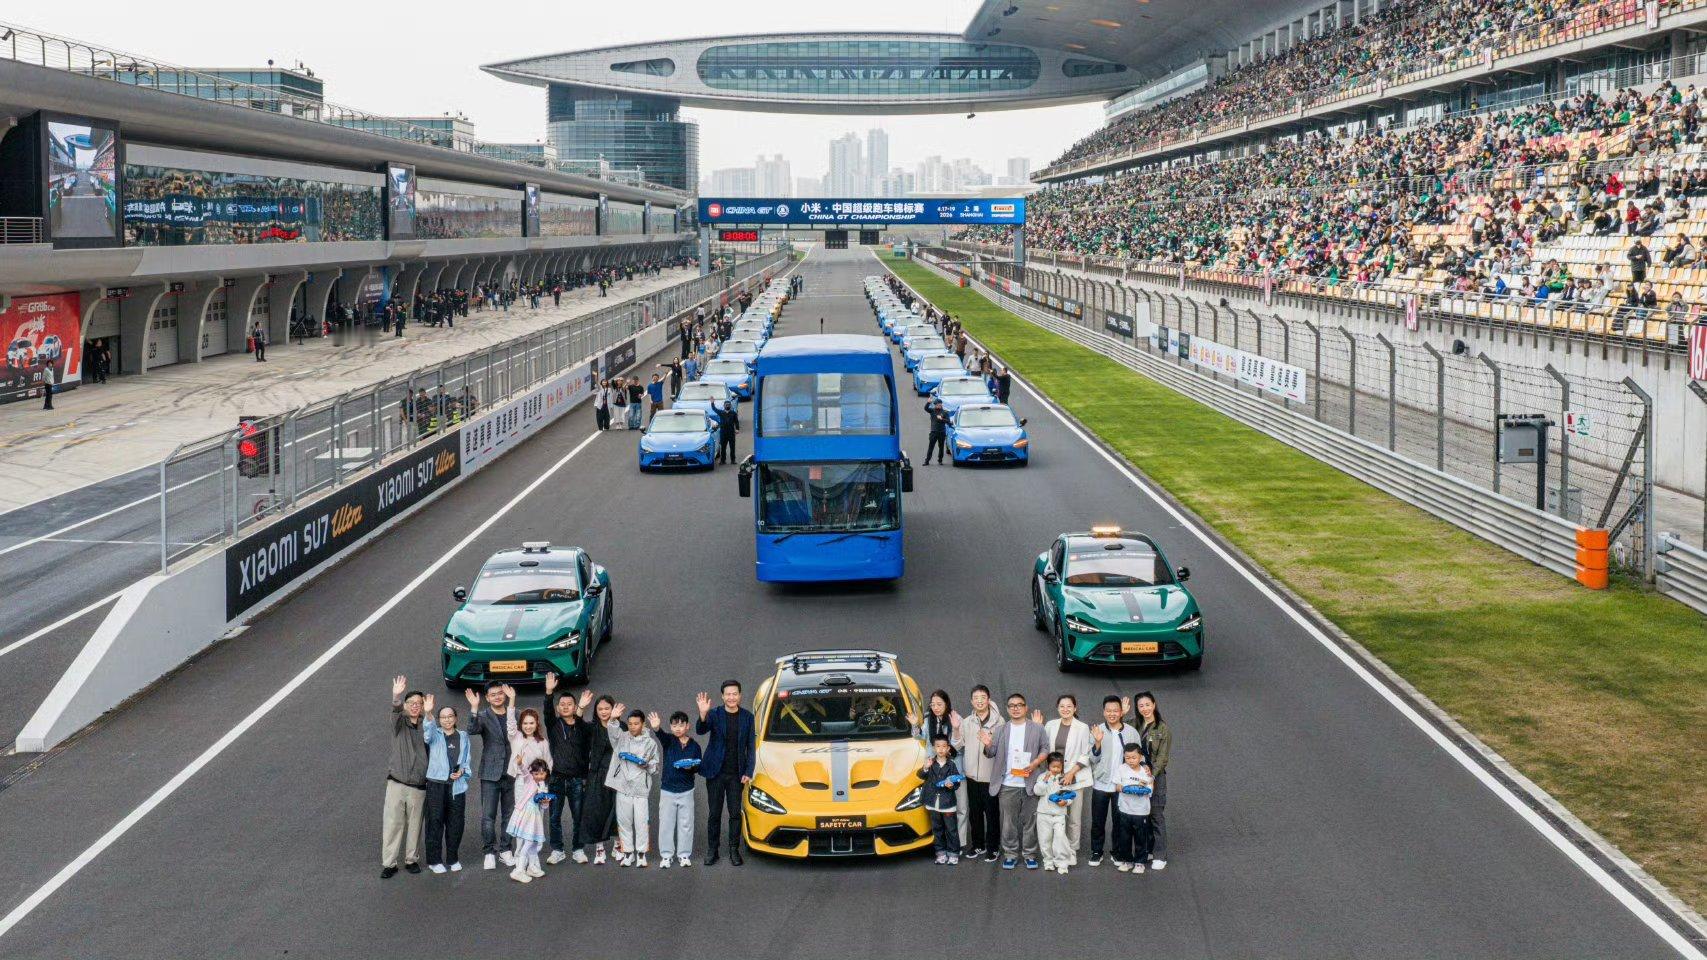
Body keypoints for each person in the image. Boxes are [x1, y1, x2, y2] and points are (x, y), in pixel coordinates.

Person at [979, 692, 1048, 870]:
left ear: (1026, 708)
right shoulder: (1001, 729)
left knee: (1029, 822)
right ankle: (1010, 854)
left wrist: (1035, 763)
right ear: (1007, 709)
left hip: (1030, 783)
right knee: (1008, 823)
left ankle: (1030, 854)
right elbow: (991, 753)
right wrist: (987, 744)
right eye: (1012, 705)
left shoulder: (1037, 728)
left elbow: (1045, 749)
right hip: (1007, 784)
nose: (1016, 708)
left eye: (1019, 705)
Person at [696, 681, 756, 866]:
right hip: (715, 772)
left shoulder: (747, 717)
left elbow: (751, 747)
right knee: (714, 813)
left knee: (735, 814)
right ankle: (712, 850)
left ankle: (733, 850)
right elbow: (700, 730)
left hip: (736, 774)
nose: (731, 697)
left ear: (740, 695)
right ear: (722, 696)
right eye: (728, 694)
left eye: (735, 694)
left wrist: (748, 770)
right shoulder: (714, 714)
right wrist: (703, 713)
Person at [542, 674, 594, 864]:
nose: (565, 706)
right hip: (556, 779)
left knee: (578, 816)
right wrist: (549, 692)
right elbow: (547, 711)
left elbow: (580, 725)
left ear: (575, 707)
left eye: (569, 704)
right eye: (562, 704)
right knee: (554, 817)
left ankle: (578, 849)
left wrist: (581, 708)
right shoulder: (554, 724)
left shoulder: (584, 727)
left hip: (578, 780)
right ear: (558, 708)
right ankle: (557, 850)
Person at [464, 683, 515, 871]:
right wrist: (474, 707)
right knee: (488, 816)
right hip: (490, 773)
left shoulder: (514, 714)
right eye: (493, 695)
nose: (497, 697)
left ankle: (506, 850)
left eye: (500, 693)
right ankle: (489, 852)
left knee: (509, 814)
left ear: (506, 694)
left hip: (512, 772)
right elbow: (471, 729)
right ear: (487, 697)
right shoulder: (484, 716)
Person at [381, 676, 428, 878]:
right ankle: (389, 863)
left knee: (415, 824)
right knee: (393, 823)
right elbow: (395, 710)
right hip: (397, 782)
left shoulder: (428, 725)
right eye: (412, 703)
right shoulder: (399, 723)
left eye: (419, 703)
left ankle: (411, 859)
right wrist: (397, 695)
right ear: (406, 706)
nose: (415, 706)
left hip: (419, 784)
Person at [1087, 695, 1141, 867]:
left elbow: (1139, 756)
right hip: (1101, 784)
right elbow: (1092, 759)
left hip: (1121, 785)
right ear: (1103, 712)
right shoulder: (1098, 730)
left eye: (1115, 710)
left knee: (1120, 821)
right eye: (1108, 711)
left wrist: (1144, 769)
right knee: (1098, 821)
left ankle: (1117, 852)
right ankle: (1096, 852)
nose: (1112, 714)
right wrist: (1097, 742)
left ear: (1121, 712)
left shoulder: (1131, 732)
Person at [1040, 694, 1093, 864]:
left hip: (1075, 777)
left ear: (1075, 708)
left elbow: (1086, 754)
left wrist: (1071, 773)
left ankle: (1072, 851)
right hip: (1055, 777)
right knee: (1056, 814)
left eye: (1069, 706)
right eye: (1062, 706)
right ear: (1057, 708)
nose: (1065, 709)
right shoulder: (1050, 725)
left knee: (1074, 818)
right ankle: (1056, 851)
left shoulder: (1082, 727)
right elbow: (1045, 749)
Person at [606, 708, 661, 867]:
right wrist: (614, 720)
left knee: (641, 823)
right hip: (623, 788)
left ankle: (641, 855)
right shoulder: (621, 738)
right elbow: (612, 733)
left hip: (640, 790)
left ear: (643, 724)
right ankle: (628, 853)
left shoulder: (650, 743)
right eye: (629, 723)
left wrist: (646, 764)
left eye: (636, 723)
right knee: (624, 822)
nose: (632, 726)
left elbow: (655, 767)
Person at [422, 699, 470, 874]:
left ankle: (452, 858)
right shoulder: (435, 734)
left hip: (457, 786)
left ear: (456, 718)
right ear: (439, 719)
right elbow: (427, 733)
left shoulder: (463, 736)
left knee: (456, 823)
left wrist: (462, 771)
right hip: (436, 785)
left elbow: (467, 760)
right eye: (443, 717)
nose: (447, 720)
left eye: (450, 716)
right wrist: (428, 713)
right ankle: (434, 861)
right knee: (435, 822)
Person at [651, 710, 702, 868]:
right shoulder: (669, 741)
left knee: (686, 824)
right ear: (671, 727)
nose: (678, 728)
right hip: (668, 790)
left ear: (688, 726)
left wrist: (690, 767)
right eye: (674, 725)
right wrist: (657, 728)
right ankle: (666, 856)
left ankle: (684, 855)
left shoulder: (695, 746)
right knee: (666, 823)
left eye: (681, 725)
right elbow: (660, 735)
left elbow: (697, 766)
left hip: (687, 789)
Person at [957, 685, 1002, 861]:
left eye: (983, 697)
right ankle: (978, 845)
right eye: (976, 698)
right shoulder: (967, 722)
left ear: (989, 700)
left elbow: (1001, 750)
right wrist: (955, 729)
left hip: (990, 777)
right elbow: (957, 745)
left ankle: (993, 847)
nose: (980, 701)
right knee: (974, 814)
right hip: (971, 777)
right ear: (971, 701)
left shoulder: (1000, 723)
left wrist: (989, 742)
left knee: (991, 815)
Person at [1033, 751, 1090, 875]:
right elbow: (1037, 791)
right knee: (1045, 840)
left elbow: (1069, 795)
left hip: (1059, 815)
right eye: (1053, 766)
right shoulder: (1042, 777)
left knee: (1060, 838)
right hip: (1043, 814)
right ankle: (1048, 861)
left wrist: (1066, 802)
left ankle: (1062, 863)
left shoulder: (1065, 778)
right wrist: (1045, 780)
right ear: (1048, 765)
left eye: (1058, 767)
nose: (1056, 769)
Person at [579, 694, 619, 864]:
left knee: (618, 811)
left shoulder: (621, 726)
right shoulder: (592, 728)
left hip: (617, 775)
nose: (603, 712)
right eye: (600, 709)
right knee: (596, 811)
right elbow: (577, 725)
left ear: (613, 709)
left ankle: (618, 845)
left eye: (607, 708)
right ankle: (599, 849)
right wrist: (580, 708)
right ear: (596, 711)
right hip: (596, 775)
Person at [1135, 691, 1171, 871]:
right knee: (1144, 815)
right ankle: (1148, 849)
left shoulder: (1162, 728)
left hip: (1155, 777)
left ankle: (1160, 855)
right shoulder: (1136, 724)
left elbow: (1163, 758)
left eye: (1147, 704)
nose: (1145, 709)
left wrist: (1151, 776)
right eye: (1141, 706)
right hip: (1138, 776)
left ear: (1154, 705)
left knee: (1156, 815)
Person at [918, 733, 963, 865]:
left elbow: (957, 782)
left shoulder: (951, 764)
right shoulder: (930, 763)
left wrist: (951, 785)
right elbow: (921, 776)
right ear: (933, 748)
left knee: (951, 829)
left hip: (947, 803)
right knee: (937, 829)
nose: (941, 749)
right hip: (933, 803)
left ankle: (953, 853)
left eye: (944, 746)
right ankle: (940, 853)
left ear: (948, 748)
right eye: (938, 746)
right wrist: (925, 767)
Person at [1111, 743, 1155, 873]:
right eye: (1127, 757)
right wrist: (1125, 788)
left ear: (1140, 757)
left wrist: (1141, 789)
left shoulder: (1146, 772)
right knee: (1124, 837)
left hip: (1141, 811)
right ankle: (1127, 861)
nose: (1130, 760)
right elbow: (1117, 786)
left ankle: (1140, 862)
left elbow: (1150, 789)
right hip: (1125, 809)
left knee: (1141, 837)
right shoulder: (1121, 769)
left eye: (1134, 757)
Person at [506, 759, 552, 883]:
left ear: (546, 773)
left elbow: (544, 806)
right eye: (536, 774)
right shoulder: (529, 780)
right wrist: (520, 763)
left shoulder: (543, 786)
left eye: (542, 773)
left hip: (535, 817)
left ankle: (532, 867)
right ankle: (519, 869)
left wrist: (545, 802)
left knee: (533, 843)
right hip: (526, 815)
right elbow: (525, 772)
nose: (539, 776)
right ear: (532, 774)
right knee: (528, 843)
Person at [924, 398, 949, 465]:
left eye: (938, 404)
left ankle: (940, 460)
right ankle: (927, 461)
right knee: (931, 446)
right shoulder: (932, 411)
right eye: (936, 405)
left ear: (941, 404)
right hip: (933, 432)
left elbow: (948, 421)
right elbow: (926, 408)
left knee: (941, 447)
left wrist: (942, 419)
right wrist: (928, 402)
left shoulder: (945, 412)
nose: (937, 406)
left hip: (942, 432)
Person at [716, 398, 739, 465]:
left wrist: (737, 429)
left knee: (732, 447)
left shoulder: (733, 413)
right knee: (723, 447)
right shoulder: (721, 413)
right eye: (726, 405)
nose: (727, 406)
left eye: (729, 405)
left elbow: (736, 421)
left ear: (730, 406)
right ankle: (723, 460)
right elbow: (714, 409)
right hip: (723, 433)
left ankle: (733, 460)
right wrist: (712, 403)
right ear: (724, 406)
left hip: (731, 433)